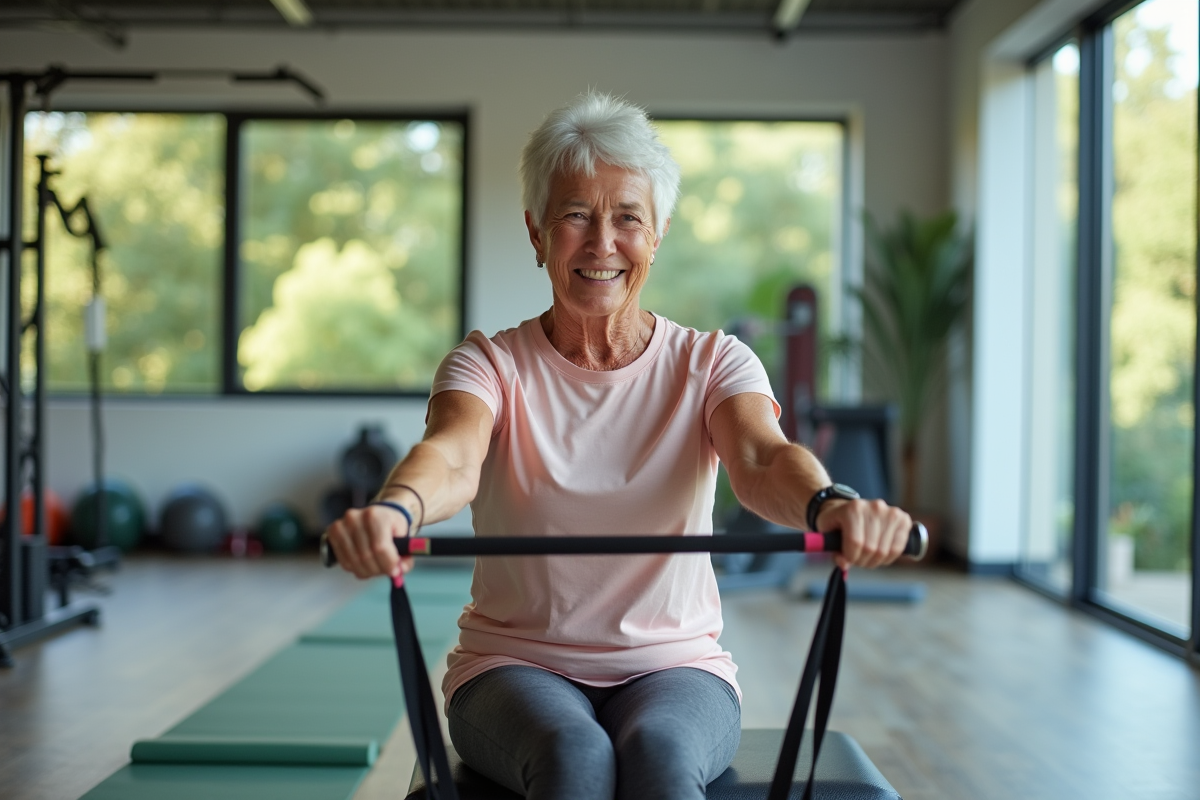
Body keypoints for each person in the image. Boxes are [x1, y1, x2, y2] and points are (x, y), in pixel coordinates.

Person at [325, 91, 913, 800]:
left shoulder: (713, 363)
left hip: (677, 667)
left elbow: (761, 460)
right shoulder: (489, 364)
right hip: (512, 667)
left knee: (660, 754)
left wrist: (830, 505)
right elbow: (452, 455)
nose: (602, 243)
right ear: (536, 232)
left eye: (628, 217)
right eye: (575, 215)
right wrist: (395, 511)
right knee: (574, 754)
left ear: (657, 233)